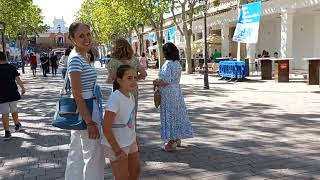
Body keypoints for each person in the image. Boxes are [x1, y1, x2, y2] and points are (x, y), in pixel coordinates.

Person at [64, 22, 104, 180]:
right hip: (86, 109)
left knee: (77, 153)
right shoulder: (75, 59)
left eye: (88, 34)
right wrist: (90, 122)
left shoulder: (83, 56)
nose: (86, 38)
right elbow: (77, 93)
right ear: (72, 38)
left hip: (87, 107)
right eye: (81, 36)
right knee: (93, 155)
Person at [102, 65, 140, 180]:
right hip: (117, 143)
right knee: (122, 176)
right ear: (119, 80)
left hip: (129, 139)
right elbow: (106, 127)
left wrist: (134, 138)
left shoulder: (131, 95)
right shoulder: (115, 99)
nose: (133, 81)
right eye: (129, 78)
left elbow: (129, 120)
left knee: (136, 170)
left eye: (135, 77)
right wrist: (117, 150)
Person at [153, 42, 193, 152]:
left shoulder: (168, 64)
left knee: (169, 115)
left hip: (168, 93)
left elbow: (164, 81)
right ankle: (177, 138)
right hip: (176, 92)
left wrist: (155, 82)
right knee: (176, 114)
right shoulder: (177, 64)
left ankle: (172, 141)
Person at [106, 38, 147, 126]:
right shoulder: (134, 60)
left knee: (120, 115)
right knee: (132, 113)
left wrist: (122, 80)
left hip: (120, 91)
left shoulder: (113, 62)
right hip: (133, 90)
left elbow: (109, 80)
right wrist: (133, 79)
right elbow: (144, 74)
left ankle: (122, 135)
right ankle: (133, 135)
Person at [0, 51, 26, 140]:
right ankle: (17, 124)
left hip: (1, 95)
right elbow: (18, 79)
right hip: (12, 93)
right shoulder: (11, 67)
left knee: (4, 113)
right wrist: (23, 88)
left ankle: (7, 132)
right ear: (5, 58)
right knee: (14, 110)